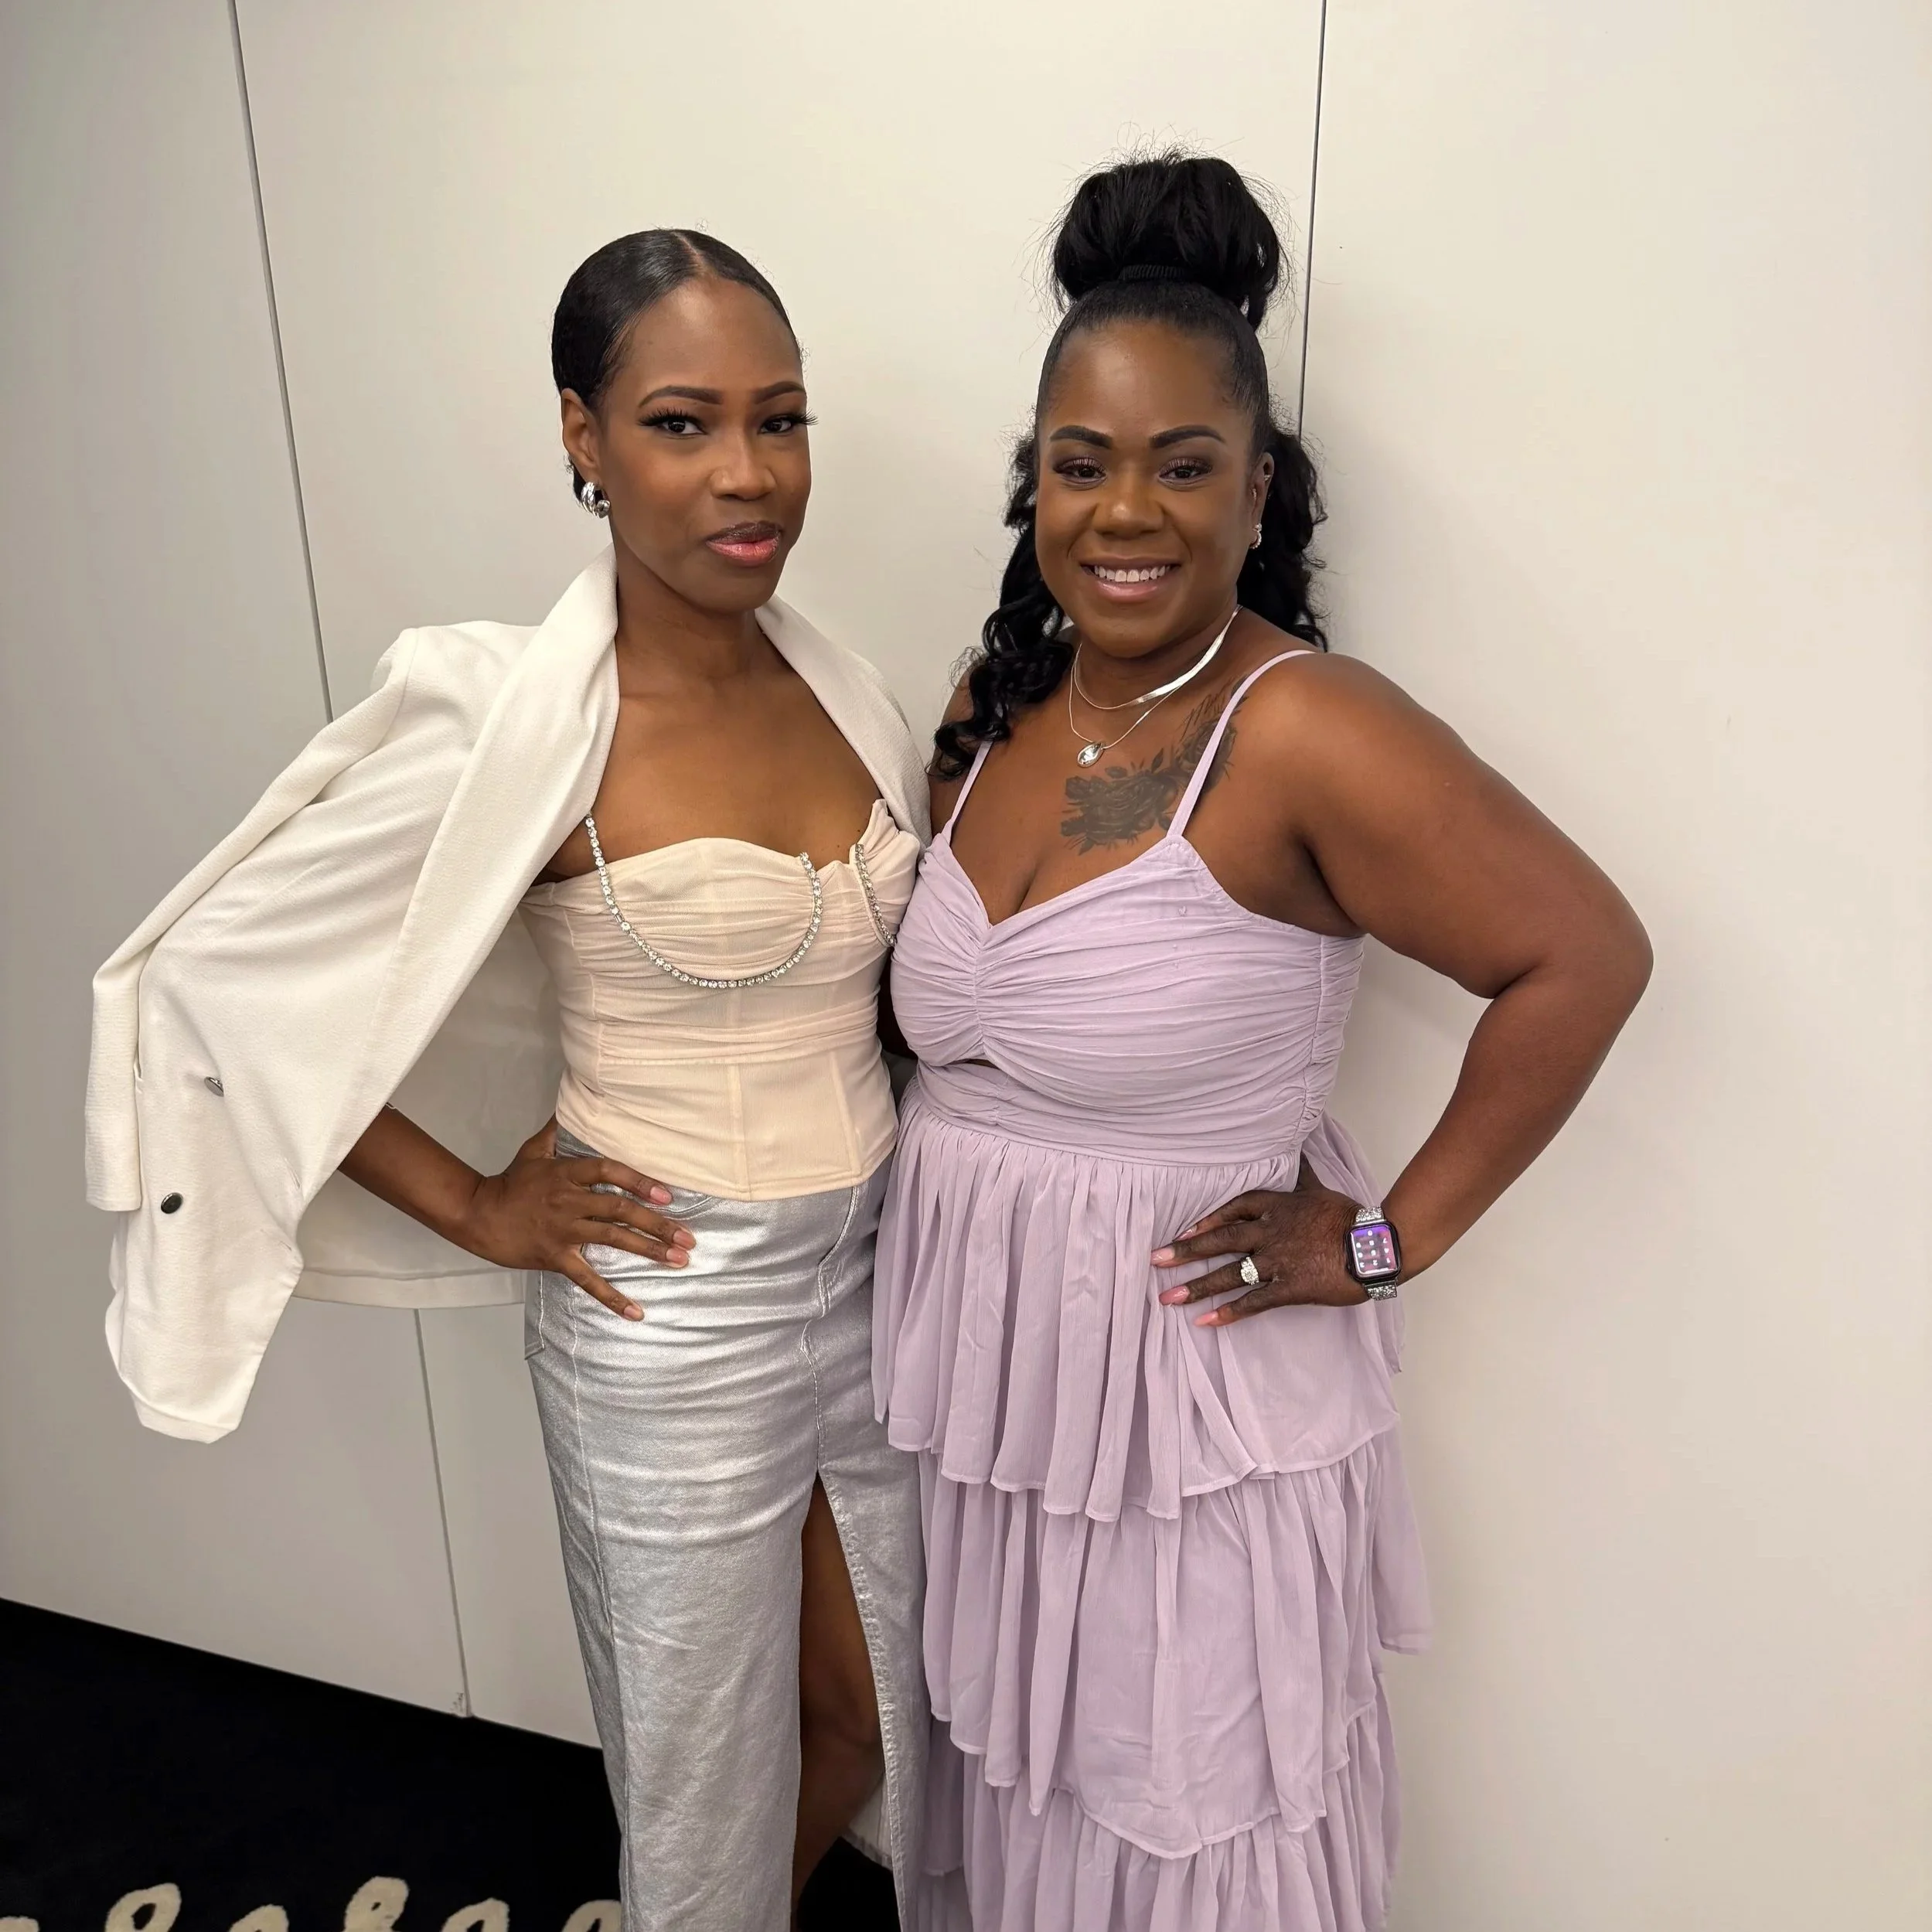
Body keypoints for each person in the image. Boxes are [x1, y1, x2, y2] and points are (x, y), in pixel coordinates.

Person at [86, 230, 929, 1930]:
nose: (750, 475)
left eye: (782, 419)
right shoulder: (509, 714)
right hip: (663, 1313)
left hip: (882, 1290)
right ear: (581, 438)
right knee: (699, 1779)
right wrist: (476, 1201)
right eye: (685, 423)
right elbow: (212, 981)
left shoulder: (847, 686)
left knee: (878, 1720)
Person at [874, 155, 1653, 1930]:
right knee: (1035, 1792)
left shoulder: (1302, 728)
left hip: (1186, 1422)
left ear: (1260, 486)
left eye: (1180, 462)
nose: (1122, 510)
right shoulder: (990, 711)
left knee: (1196, 1819)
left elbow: (1581, 955)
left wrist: (1383, 1240)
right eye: (1080, 464)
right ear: (1033, 482)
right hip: (1004, 1404)